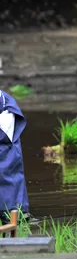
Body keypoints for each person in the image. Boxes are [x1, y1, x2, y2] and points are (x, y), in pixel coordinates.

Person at [0, 90, 30, 224]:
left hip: (5, 142)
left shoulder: (4, 100)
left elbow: (5, 131)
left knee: (7, 170)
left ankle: (15, 211)